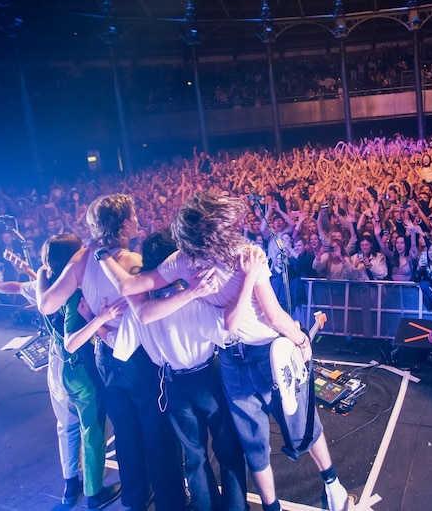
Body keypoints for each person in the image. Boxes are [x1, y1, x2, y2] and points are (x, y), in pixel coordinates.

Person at [97, 192, 350, 511]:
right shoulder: (248, 255)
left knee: (254, 444)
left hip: (231, 361)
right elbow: (272, 316)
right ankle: (332, 485)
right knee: (301, 423)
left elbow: (129, 288)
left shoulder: (183, 261)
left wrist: (102, 255)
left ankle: (275, 507)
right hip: (267, 354)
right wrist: (300, 339)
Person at [36, 194, 187, 511]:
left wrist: (41, 275)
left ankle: (134, 499)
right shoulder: (131, 262)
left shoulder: (80, 260)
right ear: (122, 224)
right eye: (133, 215)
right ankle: (171, 502)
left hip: (106, 360)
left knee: (125, 433)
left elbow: (46, 304)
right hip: (140, 359)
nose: (137, 218)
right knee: (155, 432)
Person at [96, 229, 247, 511]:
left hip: (173, 387)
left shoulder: (141, 308)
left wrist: (97, 323)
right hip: (207, 379)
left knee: (195, 459)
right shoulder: (195, 298)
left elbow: (121, 346)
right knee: (228, 452)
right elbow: (227, 332)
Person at [0, 236, 120, 509]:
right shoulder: (76, 292)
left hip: (55, 366)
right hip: (80, 369)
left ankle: (69, 484)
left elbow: (16, 287)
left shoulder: (45, 287)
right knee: (93, 429)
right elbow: (72, 338)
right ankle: (94, 492)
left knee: (65, 426)